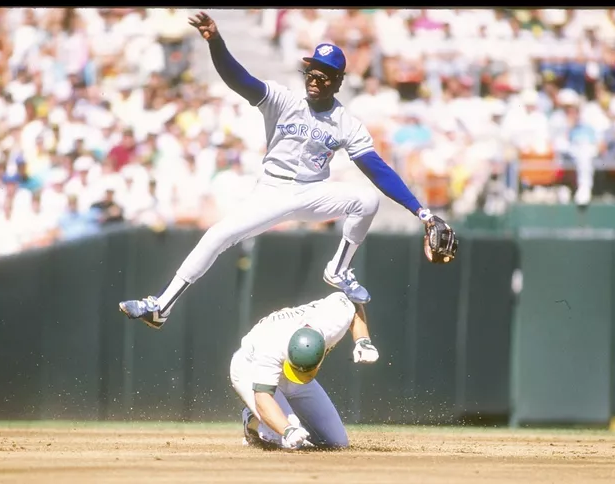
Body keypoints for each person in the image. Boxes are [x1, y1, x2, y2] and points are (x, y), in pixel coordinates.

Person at [118, 11, 458, 329]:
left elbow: (378, 169)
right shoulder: (283, 100)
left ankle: (338, 270)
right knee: (218, 236)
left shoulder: (346, 123)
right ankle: (161, 306)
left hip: (311, 193)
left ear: (338, 82)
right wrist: (215, 42)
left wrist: (424, 214)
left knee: (367, 200)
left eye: (324, 76)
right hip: (272, 191)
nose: (315, 80)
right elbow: (240, 80)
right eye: (311, 72)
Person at [230, 291, 380, 450]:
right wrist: (287, 430)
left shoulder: (331, 322)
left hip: (286, 369)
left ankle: (281, 422)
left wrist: (363, 340)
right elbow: (262, 397)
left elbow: (354, 304)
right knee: (291, 442)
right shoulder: (269, 348)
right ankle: (253, 421)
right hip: (249, 370)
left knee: (337, 443)